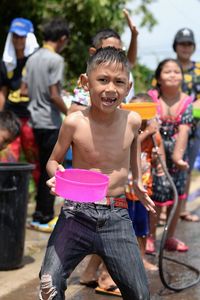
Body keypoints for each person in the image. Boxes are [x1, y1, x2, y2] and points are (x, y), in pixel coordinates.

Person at [41, 47, 155, 300]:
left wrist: (137, 183)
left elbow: (133, 149)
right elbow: (53, 161)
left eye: (119, 82)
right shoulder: (74, 122)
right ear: (86, 82)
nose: (111, 89)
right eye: (102, 80)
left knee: (140, 292)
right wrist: (55, 173)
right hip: (76, 213)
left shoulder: (133, 120)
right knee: (49, 281)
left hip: (116, 213)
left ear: (129, 86)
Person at [22, 18, 69, 230]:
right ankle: (46, 216)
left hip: (33, 121)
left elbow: (23, 90)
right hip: (49, 122)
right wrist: (70, 113)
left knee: (40, 169)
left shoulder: (31, 58)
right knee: (52, 169)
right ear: (62, 39)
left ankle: (37, 216)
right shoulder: (56, 59)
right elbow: (54, 94)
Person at [148, 58, 193, 252]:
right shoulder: (152, 98)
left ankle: (170, 237)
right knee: (156, 196)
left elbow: (184, 130)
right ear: (158, 77)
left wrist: (177, 158)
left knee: (177, 196)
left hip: (178, 153)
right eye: (167, 71)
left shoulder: (187, 101)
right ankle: (149, 236)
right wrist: (161, 159)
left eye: (177, 71)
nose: (173, 74)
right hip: (155, 152)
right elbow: (151, 127)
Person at [69, 8, 138, 114]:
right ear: (93, 52)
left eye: (119, 52)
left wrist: (134, 36)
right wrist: (105, 110)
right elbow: (73, 111)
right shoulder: (91, 79)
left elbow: (130, 62)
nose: (113, 56)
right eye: (107, 51)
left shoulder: (122, 71)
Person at [125, 93, 165, 272]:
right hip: (125, 189)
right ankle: (122, 263)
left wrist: (158, 161)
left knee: (142, 228)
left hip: (144, 189)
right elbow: (129, 146)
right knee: (125, 229)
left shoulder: (154, 136)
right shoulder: (127, 130)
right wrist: (147, 132)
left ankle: (141, 259)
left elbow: (160, 154)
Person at [0, 17, 40, 188]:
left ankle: (40, 202)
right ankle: (6, 193)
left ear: (29, 38)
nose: (18, 40)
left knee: (34, 160)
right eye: (15, 36)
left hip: (31, 118)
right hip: (11, 118)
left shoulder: (37, 61)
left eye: (22, 36)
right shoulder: (6, 63)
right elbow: (2, 92)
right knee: (7, 158)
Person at [172, 28, 200, 222]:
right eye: (182, 43)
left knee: (186, 167)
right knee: (165, 167)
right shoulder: (168, 67)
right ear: (175, 46)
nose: (185, 47)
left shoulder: (199, 70)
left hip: (193, 128)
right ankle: (165, 210)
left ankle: (181, 209)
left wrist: (190, 113)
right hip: (169, 127)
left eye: (188, 44)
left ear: (194, 47)